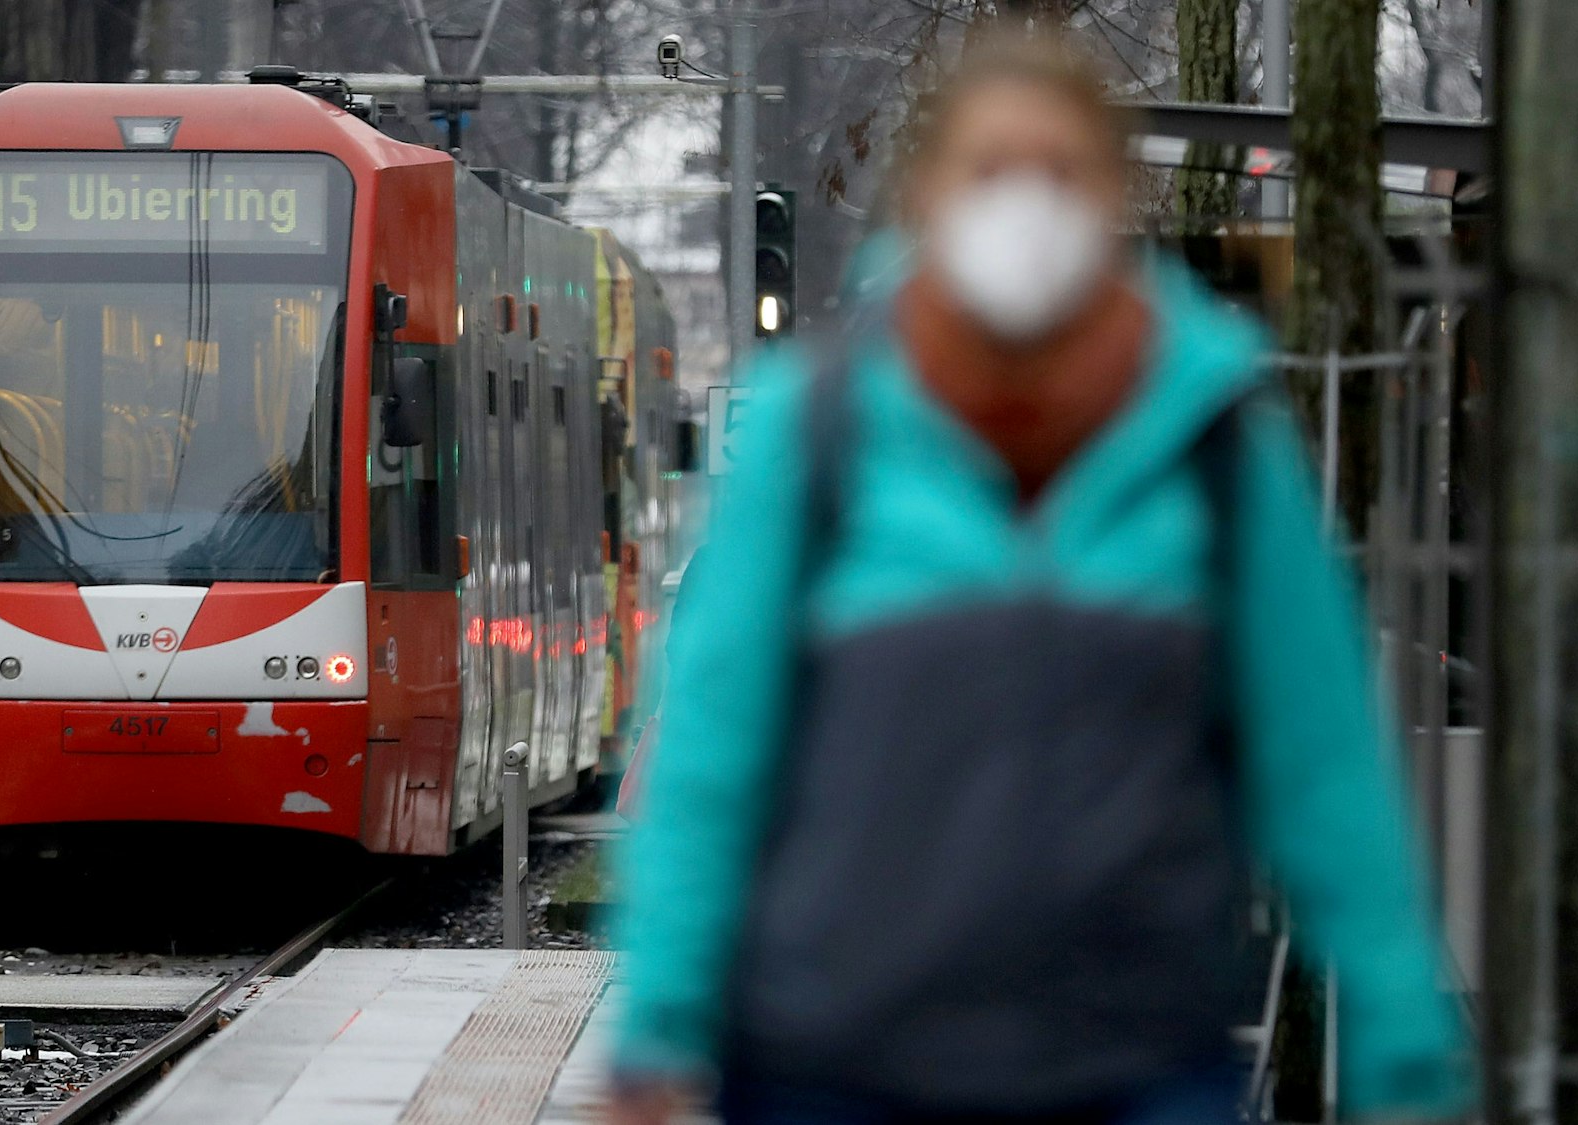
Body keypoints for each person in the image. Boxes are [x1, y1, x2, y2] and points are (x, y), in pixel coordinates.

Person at [609, 29, 1472, 1125]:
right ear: (929, 198)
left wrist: (1402, 1041)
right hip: (830, 1064)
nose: (1026, 202)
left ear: (1110, 192)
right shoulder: (818, 427)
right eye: (990, 169)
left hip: (1134, 1065)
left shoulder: (1210, 439)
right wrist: (659, 1023)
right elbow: (712, 751)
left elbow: (1322, 758)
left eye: (1060, 169)